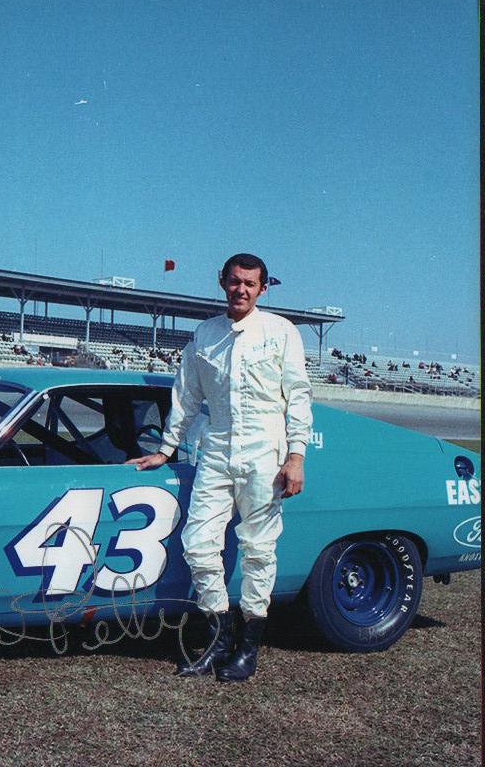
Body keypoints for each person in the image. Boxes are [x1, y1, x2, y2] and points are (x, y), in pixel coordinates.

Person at [126, 253, 312, 683]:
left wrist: (296, 456)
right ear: (222, 281)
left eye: (250, 283)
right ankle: (218, 639)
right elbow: (186, 396)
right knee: (197, 543)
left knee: (259, 549)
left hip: (266, 449)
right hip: (218, 446)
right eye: (234, 281)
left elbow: (298, 396)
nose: (240, 290)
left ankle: (249, 646)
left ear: (263, 288)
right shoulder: (205, 334)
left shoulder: (281, 331)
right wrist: (167, 448)